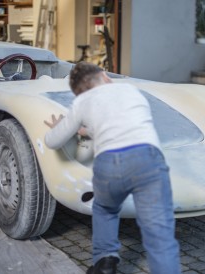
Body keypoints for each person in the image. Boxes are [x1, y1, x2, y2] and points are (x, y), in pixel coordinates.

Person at [44, 62, 181, 274]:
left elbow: (53, 141)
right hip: (147, 158)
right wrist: (89, 129)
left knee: (105, 209)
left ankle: (105, 263)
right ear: (104, 76)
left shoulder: (82, 101)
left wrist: (60, 128)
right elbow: (123, 121)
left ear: (79, 91)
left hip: (109, 163)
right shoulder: (131, 90)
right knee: (159, 233)